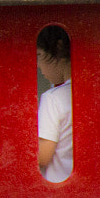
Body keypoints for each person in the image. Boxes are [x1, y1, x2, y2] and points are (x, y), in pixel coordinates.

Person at [36, 25, 72, 182]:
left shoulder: (52, 98)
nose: (38, 64)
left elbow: (42, 156)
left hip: (59, 193)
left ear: (59, 49)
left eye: (39, 55)